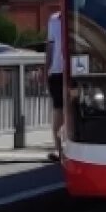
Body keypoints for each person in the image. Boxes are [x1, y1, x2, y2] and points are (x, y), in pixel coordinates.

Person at [45, 10, 64, 162]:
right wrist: (47, 70)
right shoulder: (54, 20)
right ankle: (59, 149)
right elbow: (50, 48)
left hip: (77, 71)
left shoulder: (80, 17)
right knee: (58, 110)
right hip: (58, 71)